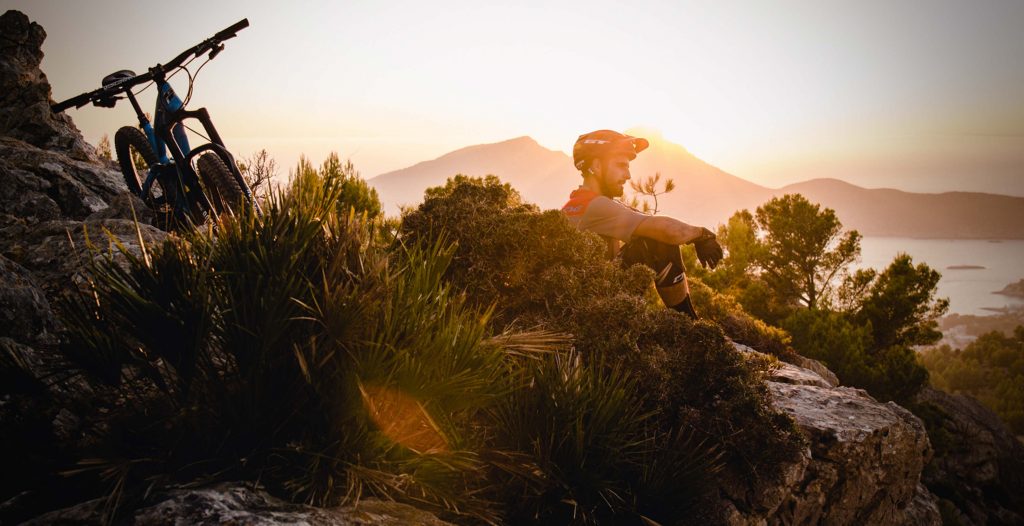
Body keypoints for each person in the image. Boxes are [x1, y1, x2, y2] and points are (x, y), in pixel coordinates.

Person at [562, 129, 723, 319]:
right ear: (596, 166)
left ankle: (687, 322)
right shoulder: (595, 206)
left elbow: (652, 222)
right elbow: (668, 231)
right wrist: (702, 235)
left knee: (652, 234)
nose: (628, 175)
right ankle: (689, 323)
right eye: (621, 165)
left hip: (587, 300)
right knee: (657, 240)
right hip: (592, 311)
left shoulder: (581, 203)